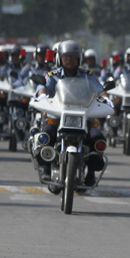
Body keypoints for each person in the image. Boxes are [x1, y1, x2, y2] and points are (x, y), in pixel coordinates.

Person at [35, 40, 112, 186]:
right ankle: (45, 168)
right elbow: (43, 86)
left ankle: (90, 173)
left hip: (83, 116)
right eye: (66, 56)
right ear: (60, 58)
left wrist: (106, 99)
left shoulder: (87, 76)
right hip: (58, 116)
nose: (69, 60)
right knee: (46, 135)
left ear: (79, 58)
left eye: (73, 56)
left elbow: (99, 88)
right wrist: (42, 94)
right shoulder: (54, 75)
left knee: (97, 138)